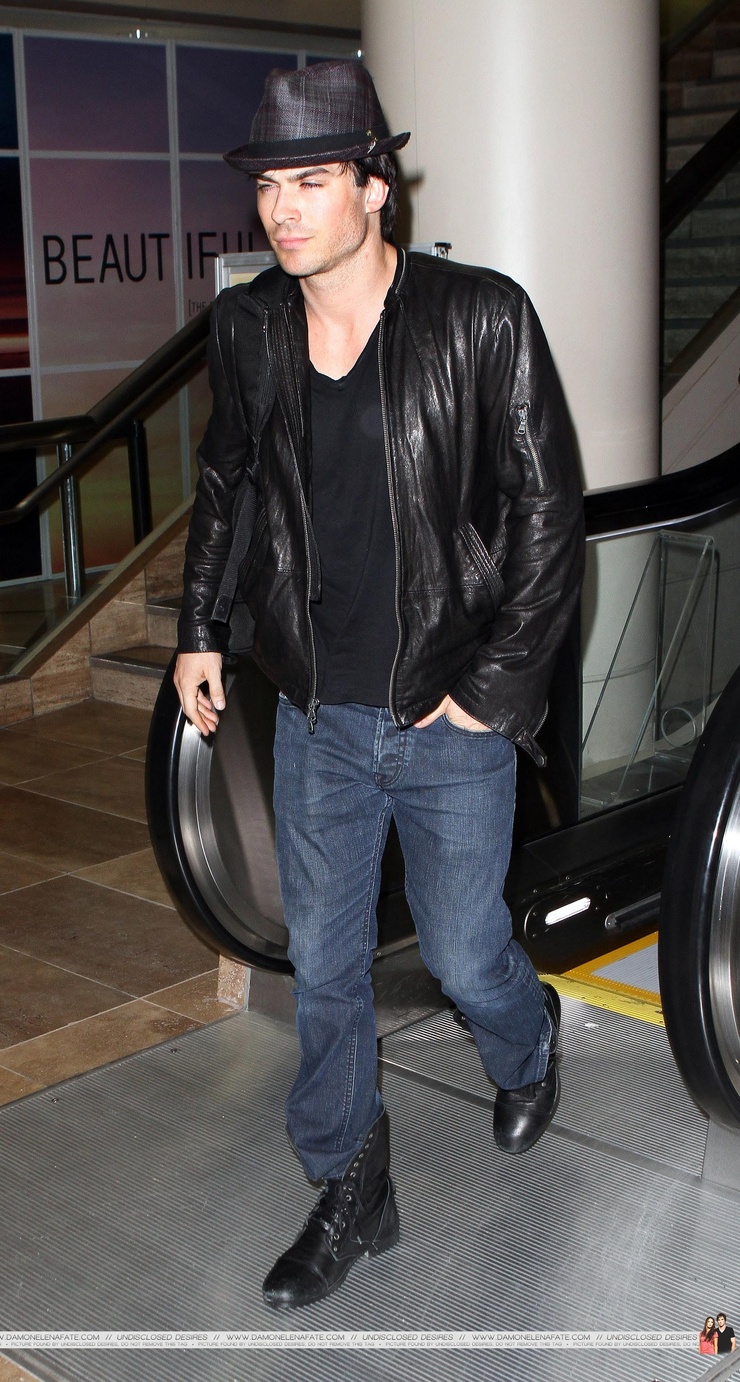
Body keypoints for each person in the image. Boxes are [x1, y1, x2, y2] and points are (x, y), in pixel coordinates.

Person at [174, 60, 584, 1311]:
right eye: (268, 187)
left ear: (372, 187)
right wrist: (199, 628)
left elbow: (546, 512)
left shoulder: (480, 317)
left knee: (462, 954)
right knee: (325, 963)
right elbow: (228, 481)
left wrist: (490, 689)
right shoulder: (250, 326)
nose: (281, 210)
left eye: (309, 182)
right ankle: (350, 1180)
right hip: (317, 709)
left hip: (449, 709)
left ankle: (526, 1038)